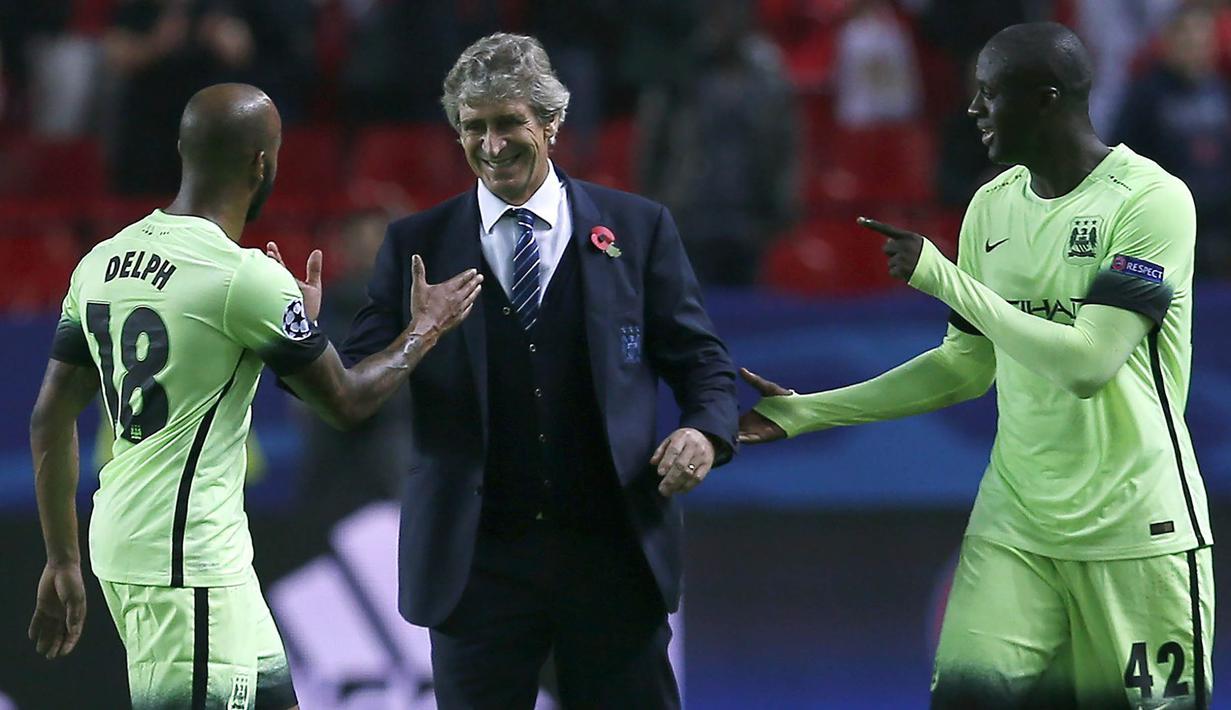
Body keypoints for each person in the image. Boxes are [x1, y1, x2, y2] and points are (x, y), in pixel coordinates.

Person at [741, 22, 1212, 708]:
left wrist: (943, 278)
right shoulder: (991, 207)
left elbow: (1088, 363)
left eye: (989, 95)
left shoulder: (1150, 201)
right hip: (1015, 525)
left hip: (1135, 530)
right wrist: (811, 410)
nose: (973, 111)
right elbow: (965, 367)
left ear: (1045, 99)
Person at [289, 32, 739, 708]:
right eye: (473, 128)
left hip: (613, 557)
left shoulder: (637, 229)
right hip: (475, 571)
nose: (491, 145)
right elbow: (350, 390)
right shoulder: (417, 245)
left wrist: (704, 432)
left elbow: (701, 361)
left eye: (508, 124)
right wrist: (302, 336)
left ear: (552, 122)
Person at [27, 83, 481, 709]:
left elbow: (49, 417)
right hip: (187, 564)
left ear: (185, 151)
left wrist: (61, 559)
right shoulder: (243, 276)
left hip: (168, 547)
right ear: (262, 163)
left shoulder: (103, 261)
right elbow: (345, 402)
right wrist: (424, 328)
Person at [1114, 3, 1231, 278]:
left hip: (1221, 225)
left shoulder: (1222, 92)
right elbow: (1124, 162)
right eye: (1186, 37)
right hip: (1168, 225)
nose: (1194, 46)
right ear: (1167, 42)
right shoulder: (1144, 96)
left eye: (1202, 38)